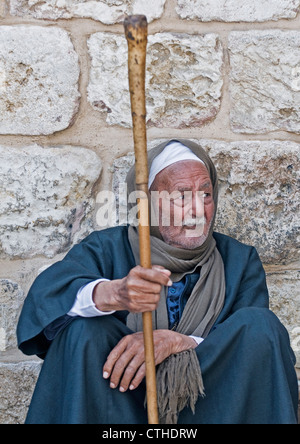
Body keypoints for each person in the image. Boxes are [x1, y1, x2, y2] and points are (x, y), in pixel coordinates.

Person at [17, 139, 299, 424]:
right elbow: (46, 300)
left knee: (261, 325)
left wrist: (180, 342)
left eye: (206, 194)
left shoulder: (238, 260)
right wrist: (114, 294)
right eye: (181, 196)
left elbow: (251, 351)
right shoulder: (107, 248)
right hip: (119, 404)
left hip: (212, 404)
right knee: (82, 330)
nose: (198, 210)